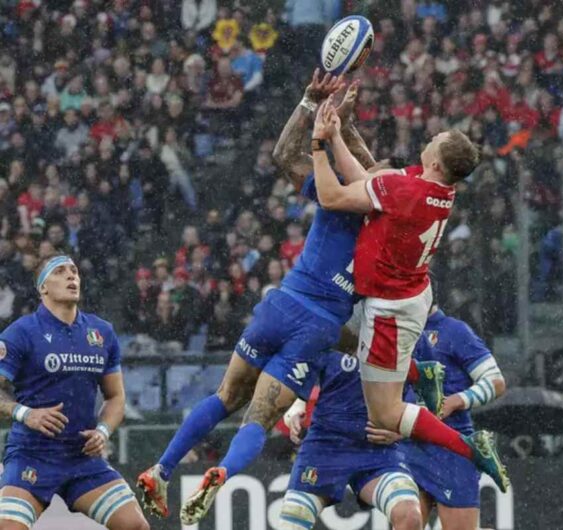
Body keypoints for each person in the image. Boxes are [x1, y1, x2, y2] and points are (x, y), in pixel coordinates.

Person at [136, 71, 443, 523]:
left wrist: (311, 106)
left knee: (225, 395)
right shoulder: (390, 234)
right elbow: (380, 183)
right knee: (257, 419)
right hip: (318, 325)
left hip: (281, 304)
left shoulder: (335, 195)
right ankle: (222, 470)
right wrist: (345, 127)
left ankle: (161, 469)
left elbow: (285, 156)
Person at [310, 100, 509, 491]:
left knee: (385, 416)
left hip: (390, 310)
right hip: (407, 294)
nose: (432, 136)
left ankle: (472, 447)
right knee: (325, 329)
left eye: (437, 139)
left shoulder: (407, 190)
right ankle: (422, 373)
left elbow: (334, 196)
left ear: (436, 162)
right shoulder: (431, 185)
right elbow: (364, 183)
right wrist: (336, 138)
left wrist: (319, 145)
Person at [0, 255, 149, 530]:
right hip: (32, 455)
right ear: (43, 287)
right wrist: (25, 414)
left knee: (135, 526)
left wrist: (103, 431)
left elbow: (116, 397)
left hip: (82, 457)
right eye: (60, 271)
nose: (72, 276)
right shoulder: (20, 332)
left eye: (74, 271)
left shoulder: (101, 332)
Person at [369, 302, 507, 529]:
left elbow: (496, 381)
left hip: (452, 450)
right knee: (406, 522)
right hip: (407, 448)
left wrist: (455, 401)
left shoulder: (455, 331)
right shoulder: (395, 333)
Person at [280, 349, 424, 530]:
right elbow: (298, 378)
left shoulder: (408, 330)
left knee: (410, 516)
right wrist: (294, 409)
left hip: (378, 449)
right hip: (325, 446)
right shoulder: (331, 329)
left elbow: (430, 395)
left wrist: (404, 430)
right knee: (291, 524)